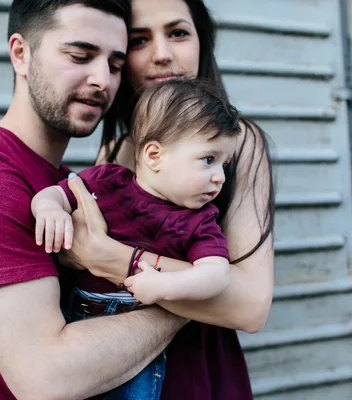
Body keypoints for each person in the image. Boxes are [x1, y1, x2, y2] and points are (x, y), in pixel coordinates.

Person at [0, 1, 190, 399]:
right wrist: (187, 301)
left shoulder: (65, 184)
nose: (102, 81)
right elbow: (48, 380)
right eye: (80, 56)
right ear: (21, 54)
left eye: (114, 64)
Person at [55, 0, 276, 398]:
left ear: (201, 43)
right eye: (141, 40)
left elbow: (250, 306)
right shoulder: (116, 150)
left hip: (195, 365)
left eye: (178, 33)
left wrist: (117, 260)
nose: (162, 55)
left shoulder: (241, 141)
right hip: (115, 359)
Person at [31, 79, 240, 399]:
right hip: (73, 321)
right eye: (209, 160)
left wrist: (165, 287)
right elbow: (54, 194)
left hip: (134, 333)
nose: (220, 177)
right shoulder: (106, 180)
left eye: (224, 164)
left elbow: (216, 273)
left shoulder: (199, 221)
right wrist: (50, 208)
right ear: (154, 155)